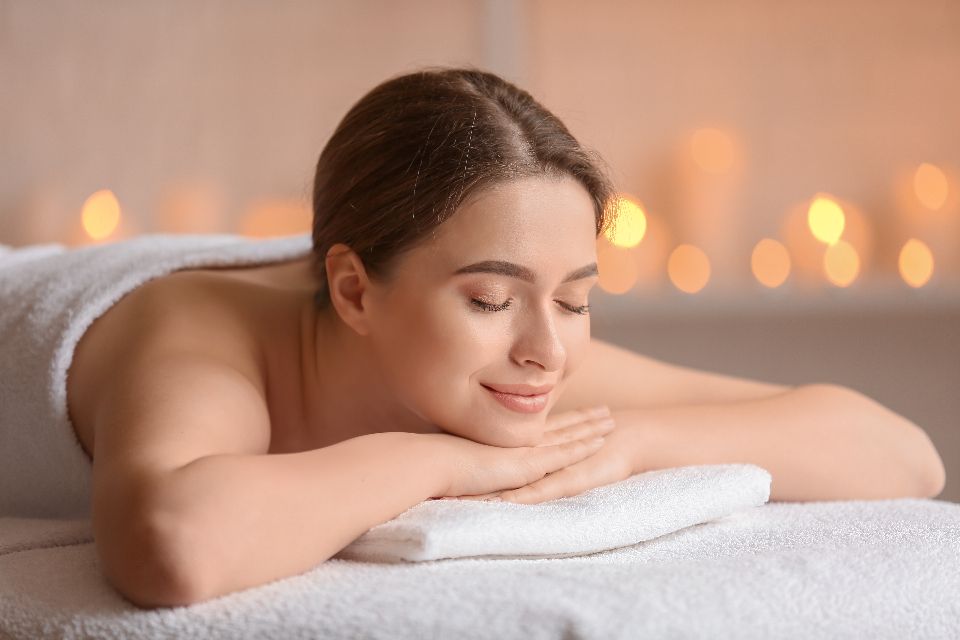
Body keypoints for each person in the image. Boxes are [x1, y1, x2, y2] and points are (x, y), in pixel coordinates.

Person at [47, 66, 943, 609]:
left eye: (577, 299)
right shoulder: (197, 334)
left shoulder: (523, 352)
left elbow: (901, 455)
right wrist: (441, 464)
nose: (547, 351)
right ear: (354, 290)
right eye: (489, 299)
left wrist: (638, 441)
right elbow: (172, 543)